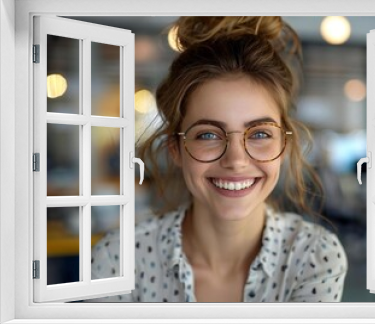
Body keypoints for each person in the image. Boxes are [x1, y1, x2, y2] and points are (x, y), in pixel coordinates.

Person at [89, 16, 347, 302]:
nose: (236, 160)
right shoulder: (118, 259)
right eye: (208, 135)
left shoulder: (314, 257)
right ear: (175, 148)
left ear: (284, 144)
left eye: (260, 134)